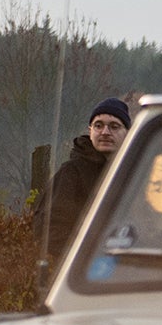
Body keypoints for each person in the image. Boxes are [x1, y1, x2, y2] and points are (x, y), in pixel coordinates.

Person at [43, 97, 132, 260]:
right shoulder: (71, 174)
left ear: (128, 133)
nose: (105, 132)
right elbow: (50, 229)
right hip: (82, 272)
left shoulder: (134, 174)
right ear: (90, 130)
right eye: (98, 125)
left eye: (114, 126)